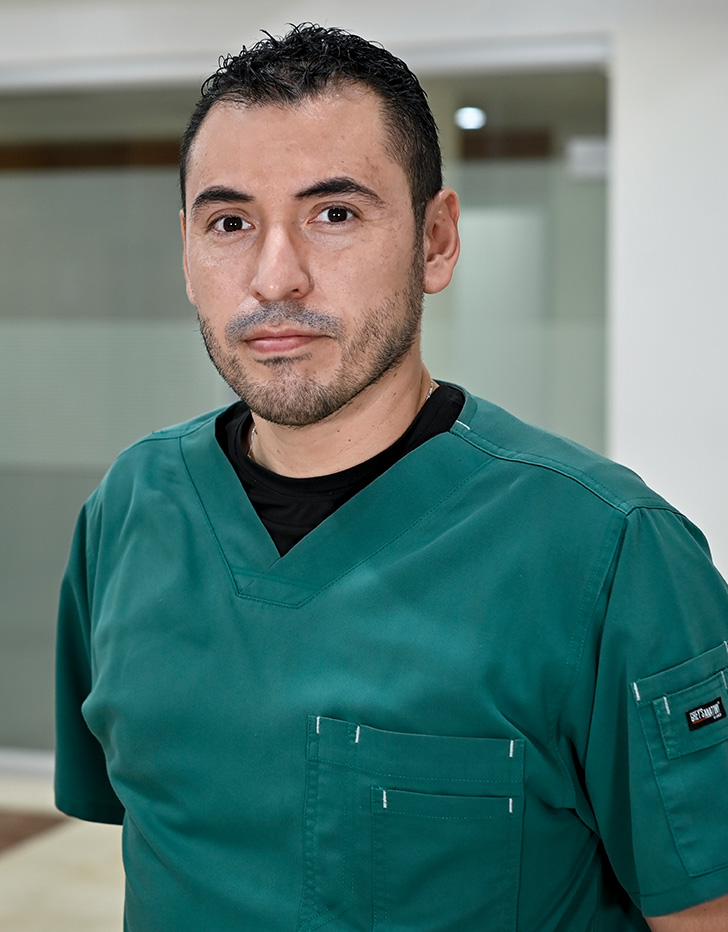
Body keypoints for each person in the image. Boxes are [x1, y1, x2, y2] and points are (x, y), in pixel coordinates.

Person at [55, 23, 728, 932]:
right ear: (186, 251)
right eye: (229, 222)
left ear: (436, 241)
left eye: (334, 213)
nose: (273, 275)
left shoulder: (611, 555)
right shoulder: (129, 509)